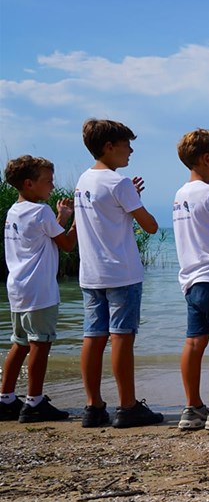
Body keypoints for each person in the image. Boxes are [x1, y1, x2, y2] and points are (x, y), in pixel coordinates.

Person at [74, 119, 163, 428]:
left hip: (91, 273)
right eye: (126, 145)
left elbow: (105, 213)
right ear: (109, 147)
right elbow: (150, 226)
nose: (131, 150)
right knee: (122, 337)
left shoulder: (84, 181)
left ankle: (93, 405)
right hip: (121, 273)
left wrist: (129, 198)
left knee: (93, 336)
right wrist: (134, 199)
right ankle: (127, 405)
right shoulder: (118, 183)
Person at [0, 156, 77, 422]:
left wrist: (61, 217)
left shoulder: (14, 211)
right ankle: (34, 402)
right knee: (40, 345)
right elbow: (66, 244)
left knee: (19, 344)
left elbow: (43, 237)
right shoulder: (40, 211)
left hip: (18, 289)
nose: (52, 186)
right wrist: (76, 223)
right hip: (39, 290)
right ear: (29, 183)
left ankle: (6, 398)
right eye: (48, 181)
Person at [172, 129, 209, 432]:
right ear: (206, 159)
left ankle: (192, 406)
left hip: (191, 278)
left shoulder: (180, 195)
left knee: (194, 342)